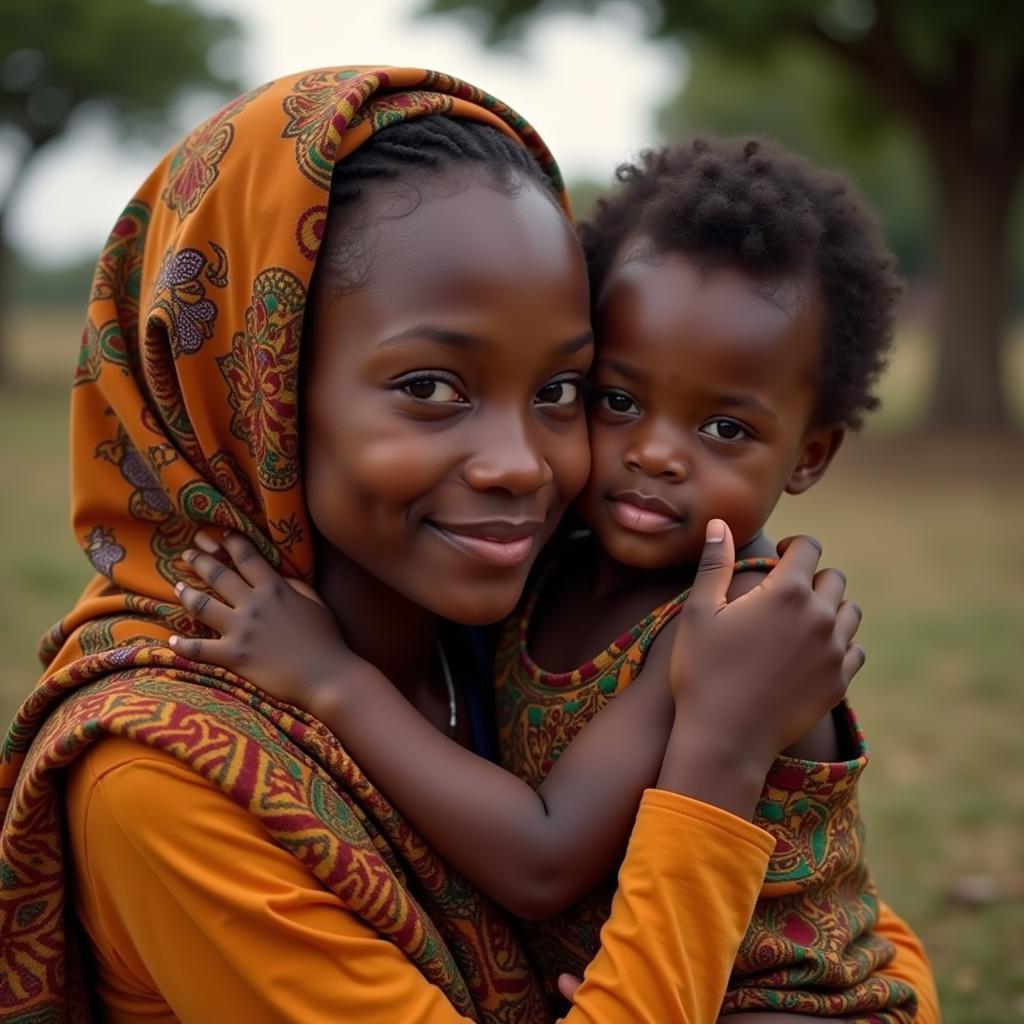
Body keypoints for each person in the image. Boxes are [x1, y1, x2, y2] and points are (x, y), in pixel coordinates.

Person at [0, 67, 923, 1024]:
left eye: (560, 389)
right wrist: (717, 761)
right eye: (431, 387)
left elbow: (857, 935)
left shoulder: (477, 617)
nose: (522, 466)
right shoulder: (164, 782)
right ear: (253, 390)